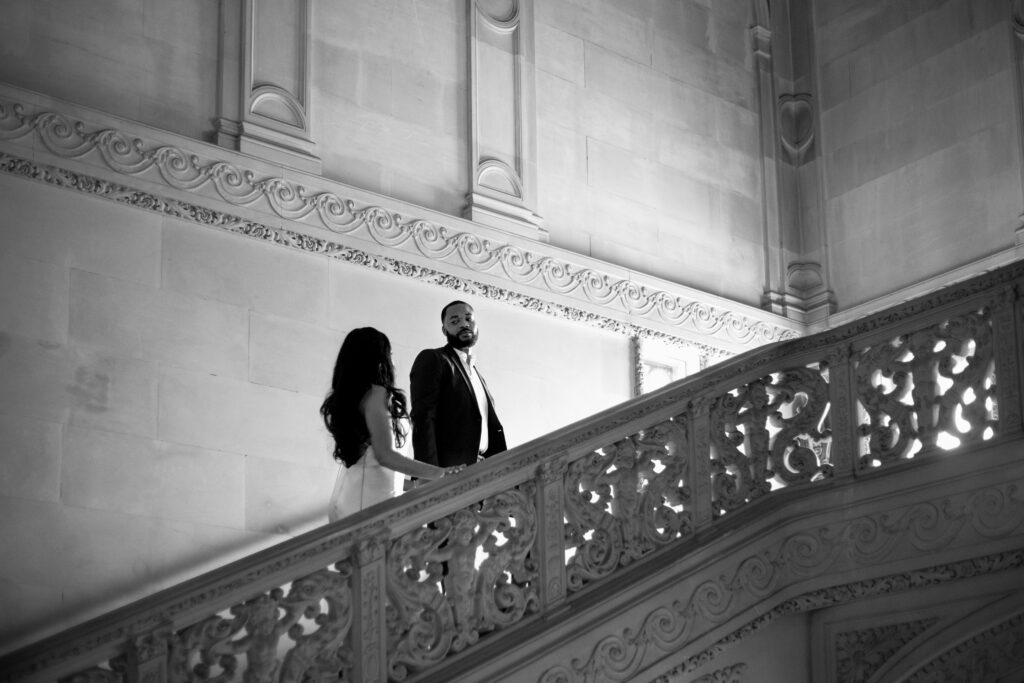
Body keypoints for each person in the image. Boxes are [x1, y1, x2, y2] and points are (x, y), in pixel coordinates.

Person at [321, 327, 450, 522]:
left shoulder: (359, 397)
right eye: (390, 354)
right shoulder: (376, 394)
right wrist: (440, 473)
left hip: (357, 500)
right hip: (369, 507)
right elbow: (385, 456)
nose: (393, 361)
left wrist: (413, 484)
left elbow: (372, 462)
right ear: (379, 359)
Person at [410, 300, 507, 469]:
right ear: (444, 330)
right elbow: (423, 418)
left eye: (469, 319)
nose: (464, 324)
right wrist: (428, 473)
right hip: (449, 472)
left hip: (485, 469)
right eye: (455, 321)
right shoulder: (434, 359)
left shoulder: (478, 375)